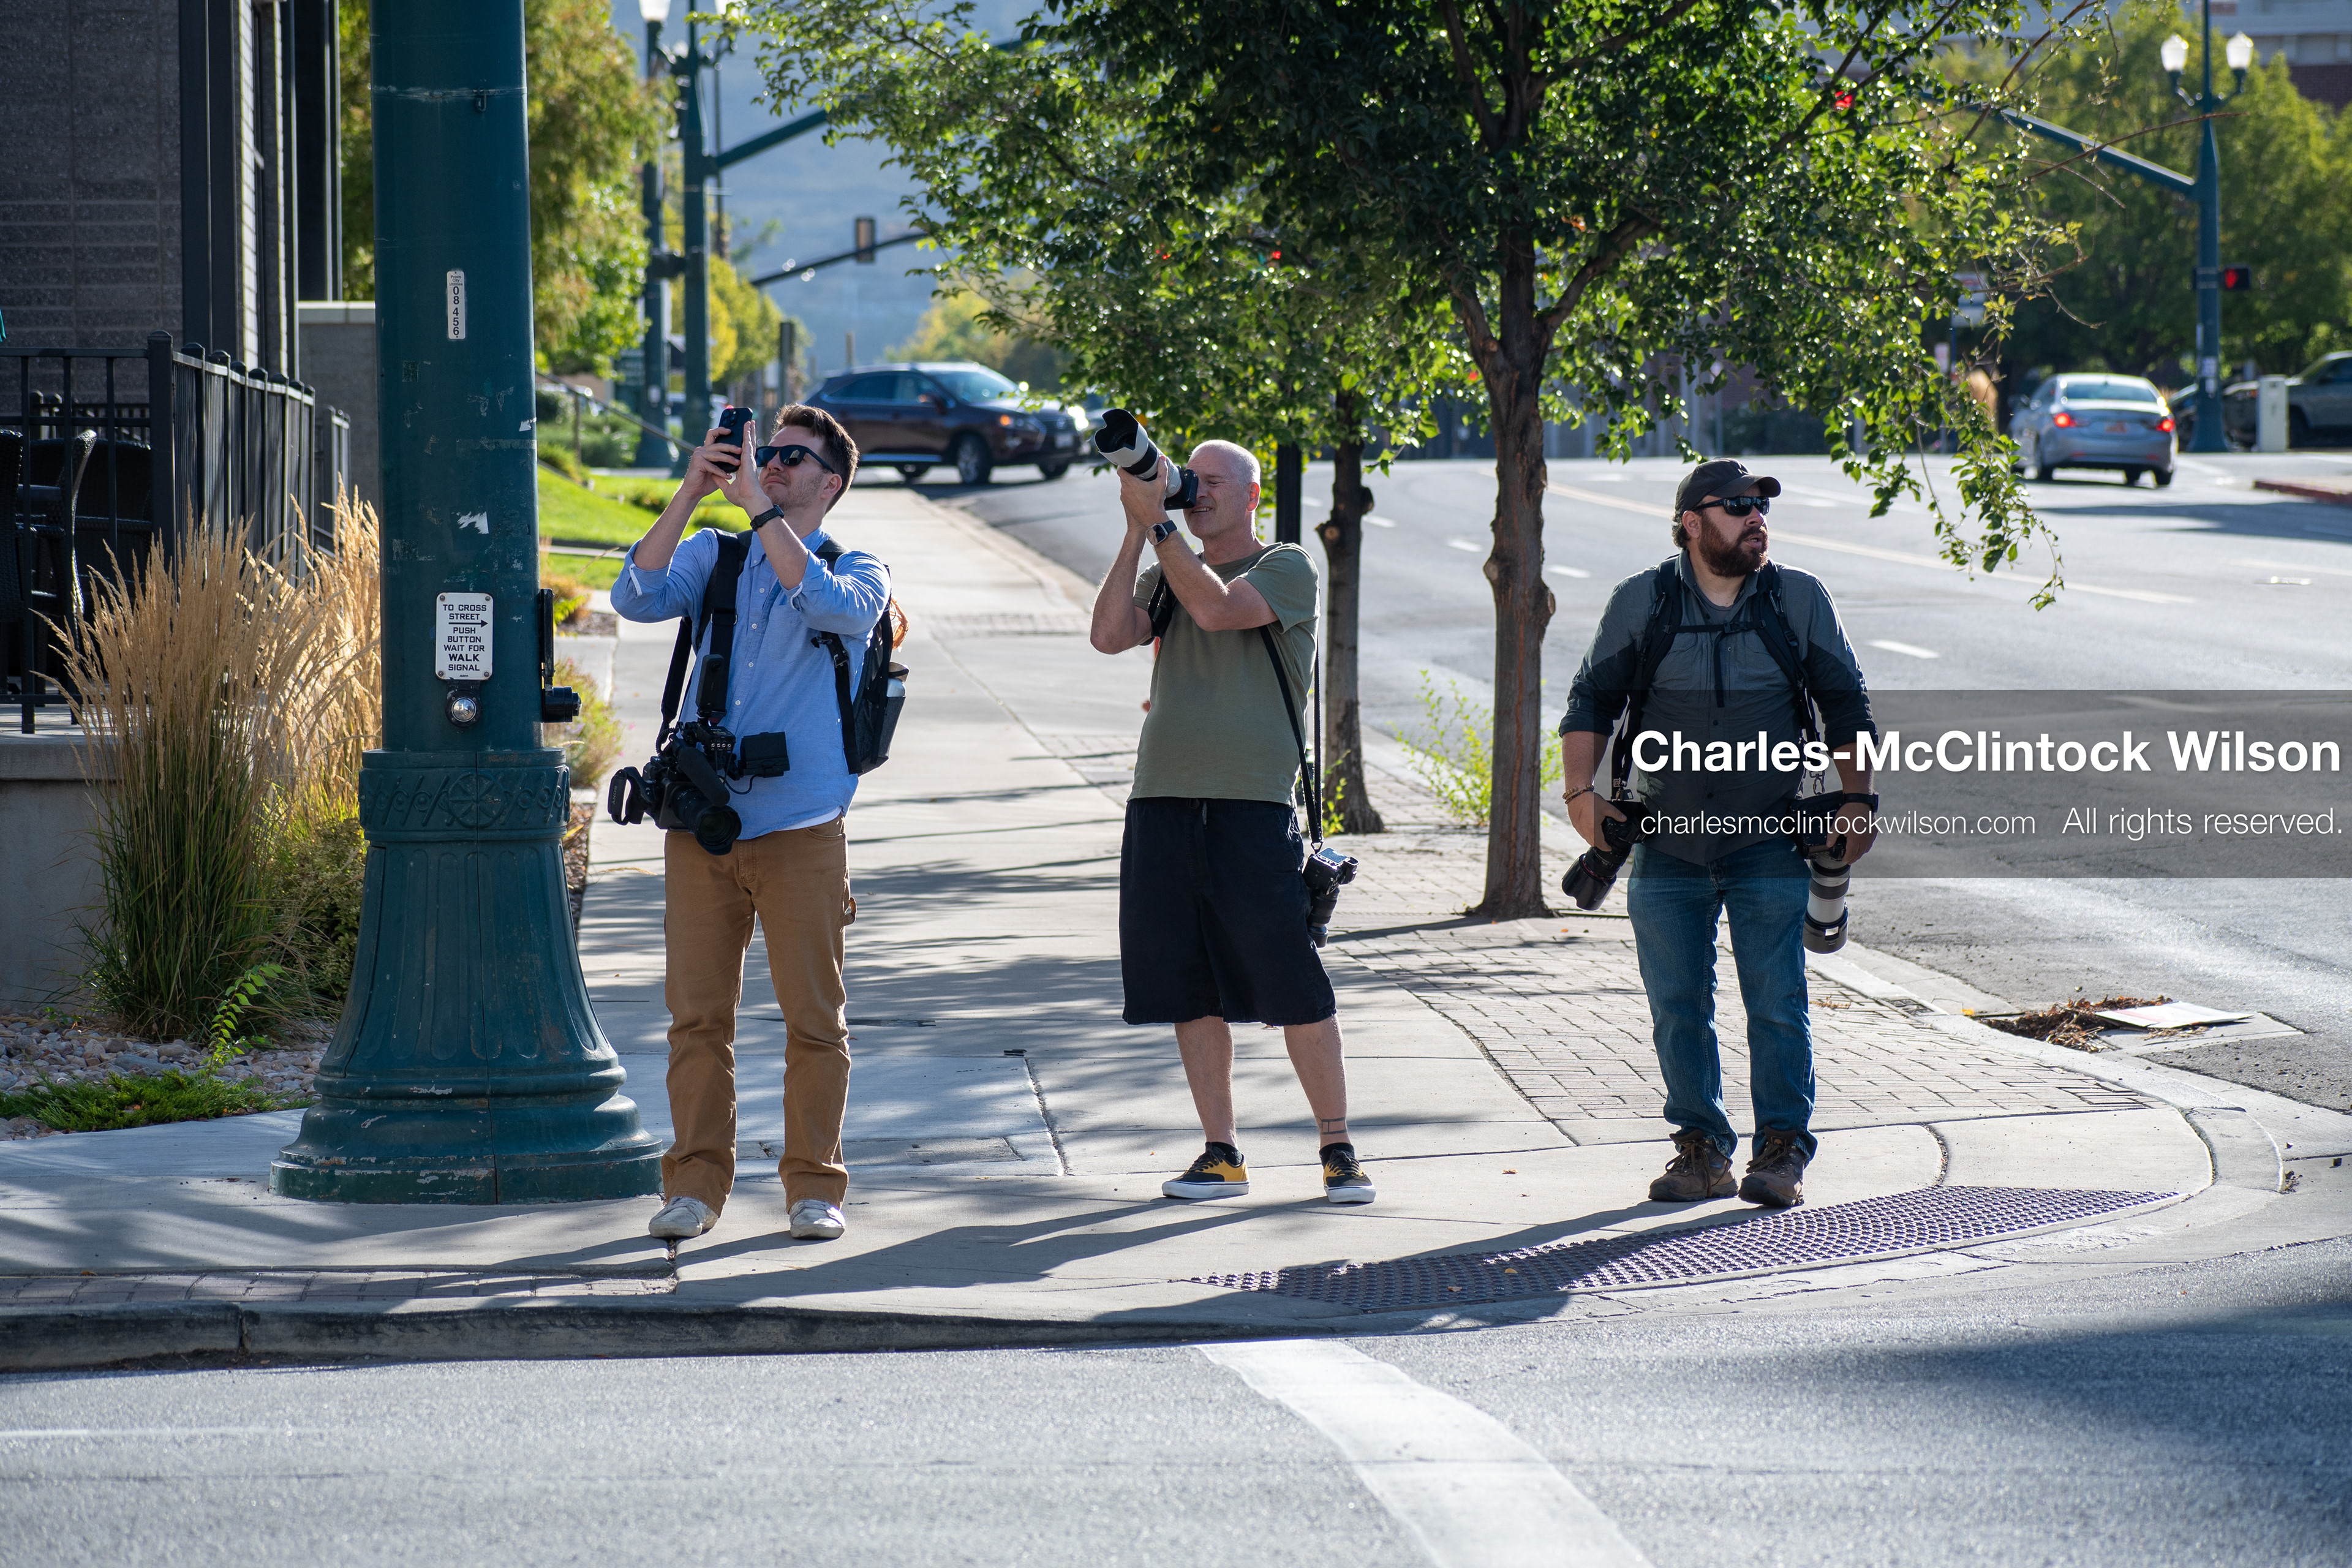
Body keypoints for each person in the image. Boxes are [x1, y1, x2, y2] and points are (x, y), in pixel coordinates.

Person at [1558, 459, 1877, 1209]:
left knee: (1775, 999)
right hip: (1666, 838)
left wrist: (1857, 800)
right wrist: (1581, 794)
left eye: (1761, 506)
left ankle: (1782, 1148)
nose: (1755, 517)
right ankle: (1700, 1147)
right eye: (1737, 506)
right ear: (1691, 524)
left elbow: (1847, 705)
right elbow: (1590, 702)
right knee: (1677, 1005)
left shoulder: (1797, 598)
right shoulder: (1642, 601)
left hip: (1769, 836)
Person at [611, 406, 889, 1243]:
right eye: (766, 453)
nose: (769, 465)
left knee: (814, 1020)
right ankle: (694, 1188)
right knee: (697, 1020)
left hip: (803, 828)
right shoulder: (717, 556)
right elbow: (636, 594)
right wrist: (692, 494)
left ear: (829, 482)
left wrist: (762, 516)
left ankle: (814, 1190)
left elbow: (836, 610)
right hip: (703, 828)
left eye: (791, 458)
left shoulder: (858, 565)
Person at [1087, 440, 1374, 1205]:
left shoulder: (1285, 566)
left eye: (1213, 482)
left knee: (1291, 980)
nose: (1197, 491)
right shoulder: (1166, 565)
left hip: (1252, 804)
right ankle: (1221, 1153)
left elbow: (1216, 610)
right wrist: (1135, 524)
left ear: (1251, 496)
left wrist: (1160, 530)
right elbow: (1110, 634)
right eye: (1191, 481)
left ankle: (1338, 1147)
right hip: (1162, 799)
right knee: (1190, 985)